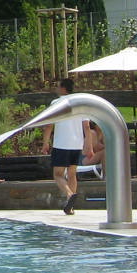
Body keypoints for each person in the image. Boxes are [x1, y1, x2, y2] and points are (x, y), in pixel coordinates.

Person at [41, 78, 92, 215]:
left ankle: (70, 195)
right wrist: (89, 146)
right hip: (76, 145)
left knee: (58, 175)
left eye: (58, 87)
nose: (56, 89)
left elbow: (49, 125)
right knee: (72, 174)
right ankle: (71, 207)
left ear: (63, 88)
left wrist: (45, 143)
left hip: (61, 144)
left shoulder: (56, 103)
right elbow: (87, 126)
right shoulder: (81, 103)